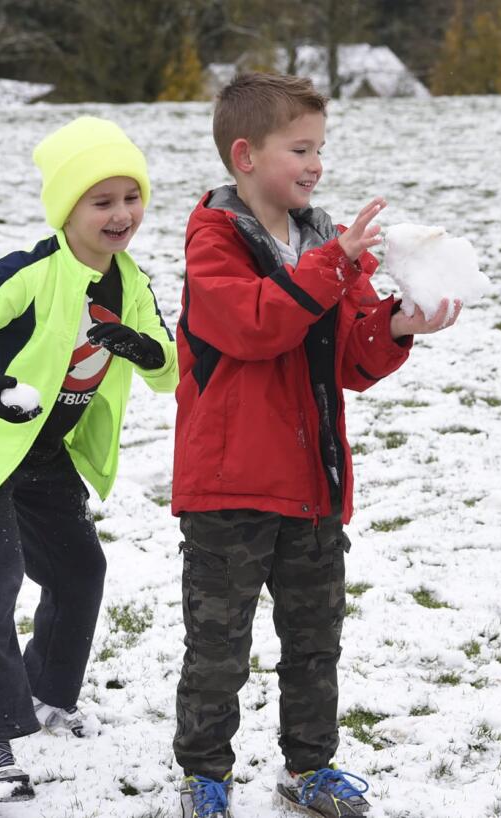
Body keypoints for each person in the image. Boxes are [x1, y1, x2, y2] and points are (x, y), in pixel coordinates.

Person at [171, 72, 461, 818]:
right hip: (229, 486)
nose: (316, 165)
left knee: (314, 641)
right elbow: (255, 325)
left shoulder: (324, 239)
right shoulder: (214, 239)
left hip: (312, 483)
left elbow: (352, 358)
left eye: (321, 149)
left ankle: (311, 767)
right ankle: (204, 775)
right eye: (300, 149)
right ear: (245, 155)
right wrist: (334, 265)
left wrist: (397, 324)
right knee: (218, 650)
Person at [0, 115, 179, 802]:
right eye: (102, 201)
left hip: (44, 452)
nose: (122, 214)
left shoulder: (129, 282)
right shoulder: (31, 273)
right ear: (68, 209)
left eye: (131, 196)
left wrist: (141, 348)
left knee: (78, 568)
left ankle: (43, 698)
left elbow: (169, 371)